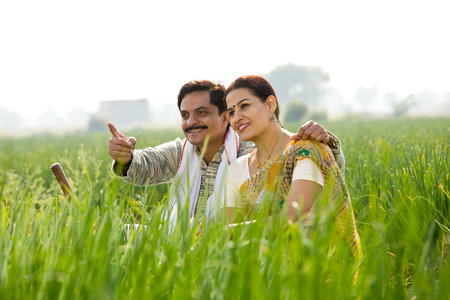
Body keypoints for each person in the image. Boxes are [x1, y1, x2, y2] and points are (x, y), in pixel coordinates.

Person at [108, 80, 345, 228]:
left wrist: (327, 143)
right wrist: (127, 159)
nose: (192, 122)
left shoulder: (249, 149)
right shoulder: (181, 152)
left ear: (224, 119)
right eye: (184, 115)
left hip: (242, 240)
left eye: (201, 113)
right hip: (186, 234)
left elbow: (315, 166)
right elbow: (147, 165)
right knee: (110, 233)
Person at [223, 75, 362, 262]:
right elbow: (228, 226)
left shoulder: (306, 150)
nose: (237, 117)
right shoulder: (237, 169)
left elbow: (291, 217)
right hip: (263, 272)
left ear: (270, 104)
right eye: (231, 112)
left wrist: (223, 232)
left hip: (319, 268)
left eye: (244, 106)